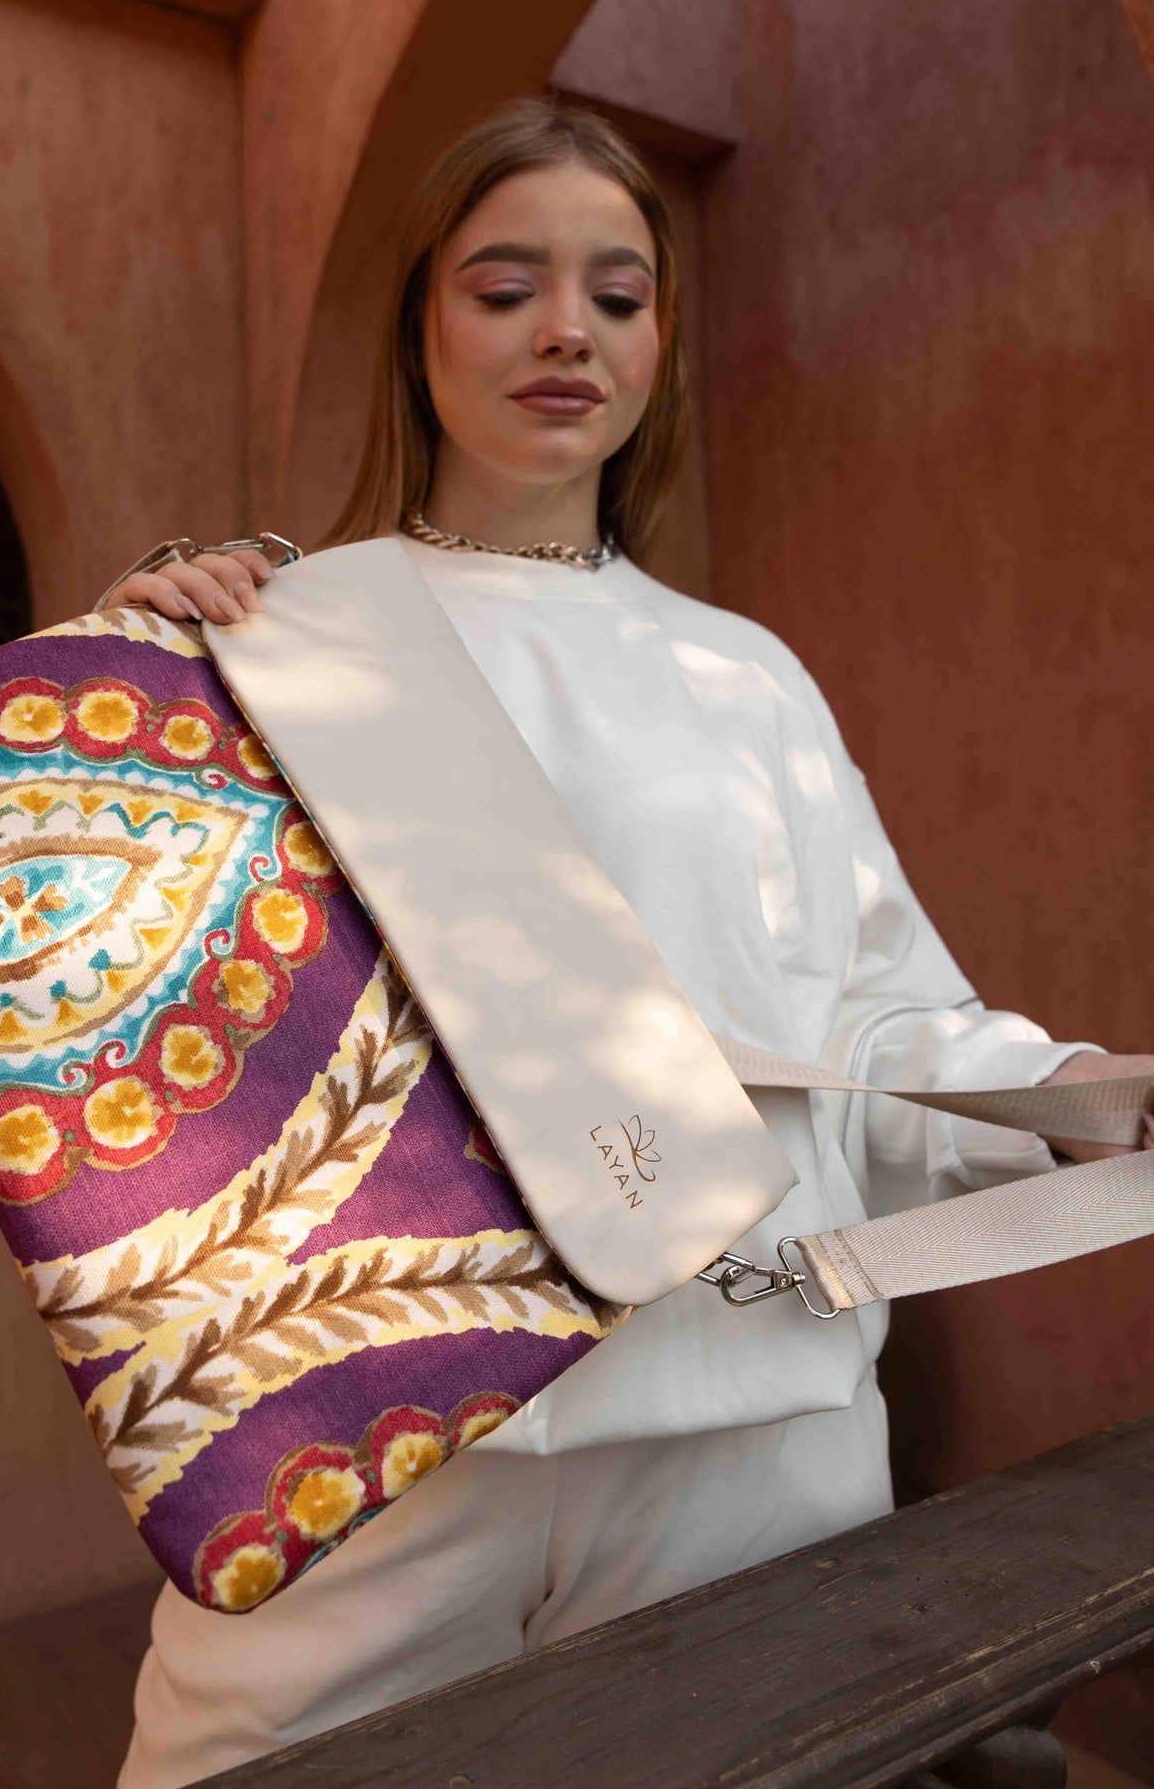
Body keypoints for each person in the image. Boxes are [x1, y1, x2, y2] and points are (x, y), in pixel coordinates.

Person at [105, 99, 1151, 1787]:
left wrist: (1085, 1090)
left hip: (752, 1415)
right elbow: (163, 1017)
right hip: (368, 1427)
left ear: (658, 340)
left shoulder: (748, 674)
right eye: (503, 286)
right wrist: (123, 705)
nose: (565, 332)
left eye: (616, 292)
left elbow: (870, 1033)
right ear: (419, 327)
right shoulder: (277, 637)